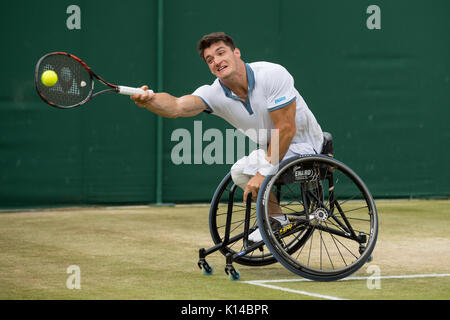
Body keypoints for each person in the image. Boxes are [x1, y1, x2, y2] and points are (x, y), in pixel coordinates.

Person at [130, 32, 323, 242]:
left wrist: (263, 171)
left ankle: (275, 218)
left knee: (252, 168)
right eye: (210, 59)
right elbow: (176, 106)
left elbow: (286, 128)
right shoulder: (213, 93)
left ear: (236, 52)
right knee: (239, 171)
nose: (217, 61)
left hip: (306, 147)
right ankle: (277, 219)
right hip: (273, 150)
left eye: (221, 53)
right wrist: (149, 100)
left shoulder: (272, 74)